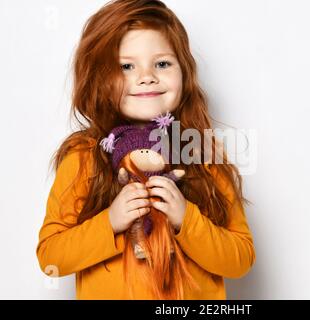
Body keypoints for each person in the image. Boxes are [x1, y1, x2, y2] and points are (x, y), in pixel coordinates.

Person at [36, 0, 256, 299]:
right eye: (126, 66)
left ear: (184, 71)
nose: (146, 76)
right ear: (99, 79)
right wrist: (110, 222)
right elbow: (51, 259)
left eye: (162, 63)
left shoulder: (202, 156)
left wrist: (186, 219)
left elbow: (240, 260)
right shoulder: (84, 156)